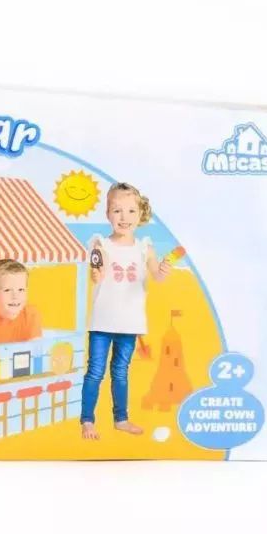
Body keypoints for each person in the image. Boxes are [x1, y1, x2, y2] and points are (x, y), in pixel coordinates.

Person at [81, 182, 172, 440]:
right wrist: (97, 273)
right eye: (117, 210)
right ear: (107, 213)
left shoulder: (145, 248)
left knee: (120, 372)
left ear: (140, 213)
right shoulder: (100, 244)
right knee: (95, 371)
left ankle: (121, 419)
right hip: (102, 322)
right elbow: (97, 274)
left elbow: (157, 276)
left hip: (130, 323)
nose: (124, 217)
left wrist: (163, 270)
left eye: (131, 211)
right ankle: (87, 420)